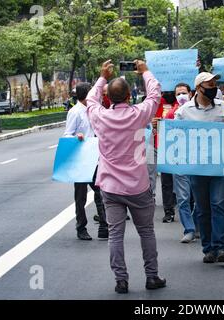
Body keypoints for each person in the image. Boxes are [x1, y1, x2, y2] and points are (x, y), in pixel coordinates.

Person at [86, 60, 166, 294]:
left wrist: (102, 76)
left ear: (108, 98)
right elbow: (154, 93)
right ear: (130, 95)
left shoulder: (100, 116)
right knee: (146, 232)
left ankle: (121, 280)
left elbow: (91, 99)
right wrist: (145, 71)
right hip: (138, 186)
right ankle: (152, 277)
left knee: (115, 235)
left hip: (110, 187)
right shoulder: (139, 114)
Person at [175, 72, 224, 264]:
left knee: (219, 205)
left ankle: (221, 246)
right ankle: (208, 248)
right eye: (209, 84)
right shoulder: (184, 111)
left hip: (221, 166)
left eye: (214, 83)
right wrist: (159, 128)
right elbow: (175, 137)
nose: (214, 87)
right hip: (197, 167)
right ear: (199, 88)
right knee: (203, 209)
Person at [63, 82, 108, 241]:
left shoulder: (94, 110)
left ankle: (104, 226)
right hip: (81, 159)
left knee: (101, 191)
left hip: (95, 157)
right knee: (80, 196)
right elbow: (67, 134)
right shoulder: (75, 112)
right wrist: (77, 137)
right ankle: (81, 227)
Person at [165, 83, 198, 243]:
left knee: (200, 198)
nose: (181, 96)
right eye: (178, 93)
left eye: (184, 92)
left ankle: (197, 225)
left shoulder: (199, 112)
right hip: (179, 161)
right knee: (183, 198)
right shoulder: (170, 114)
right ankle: (189, 229)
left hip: (199, 161)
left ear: (190, 93)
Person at [151, 93, 177, 223]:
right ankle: (168, 211)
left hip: (181, 150)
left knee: (181, 182)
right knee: (166, 181)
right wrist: (152, 123)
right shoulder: (156, 103)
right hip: (161, 147)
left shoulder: (185, 107)